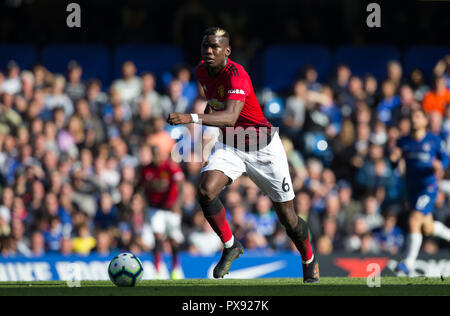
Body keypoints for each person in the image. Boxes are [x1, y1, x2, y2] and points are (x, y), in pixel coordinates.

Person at [167, 27, 319, 283]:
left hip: (264, 148)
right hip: (231, 146)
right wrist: (205, 115)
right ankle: (230, 245)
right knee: (205, 190)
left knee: (288, 219)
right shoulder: (201, 71)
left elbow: (229, 117)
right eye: (205, 46)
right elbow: (215, 104)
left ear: (227, 51)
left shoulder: (237, 76)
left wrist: (190, 118)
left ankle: (309, 259)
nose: (209, 51)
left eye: (215, 47)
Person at [390, 109, 450, 275]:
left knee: (414, 219)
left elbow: (445, 158)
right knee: (428, 228)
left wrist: (440, 165)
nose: (414, 120)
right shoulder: (404, 141)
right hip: (412, 188)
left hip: (428, 187)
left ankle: (408, 263)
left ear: (425, 121)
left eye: (417, 117)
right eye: (412, 117)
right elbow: (394, 162)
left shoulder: (434, 140)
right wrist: (393, 159)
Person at [136, 145, 185, 279]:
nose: (157, 157)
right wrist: (135, 198)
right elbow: (139, 185)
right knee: (157, 236)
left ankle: (175, 268)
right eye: (154, 154)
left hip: (170, 209)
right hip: (155, 208)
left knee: (173, 240)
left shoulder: (170, 167)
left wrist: (178, 204)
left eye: (159, 154)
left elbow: (181, 184)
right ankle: (158, 270)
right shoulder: (147, 170)